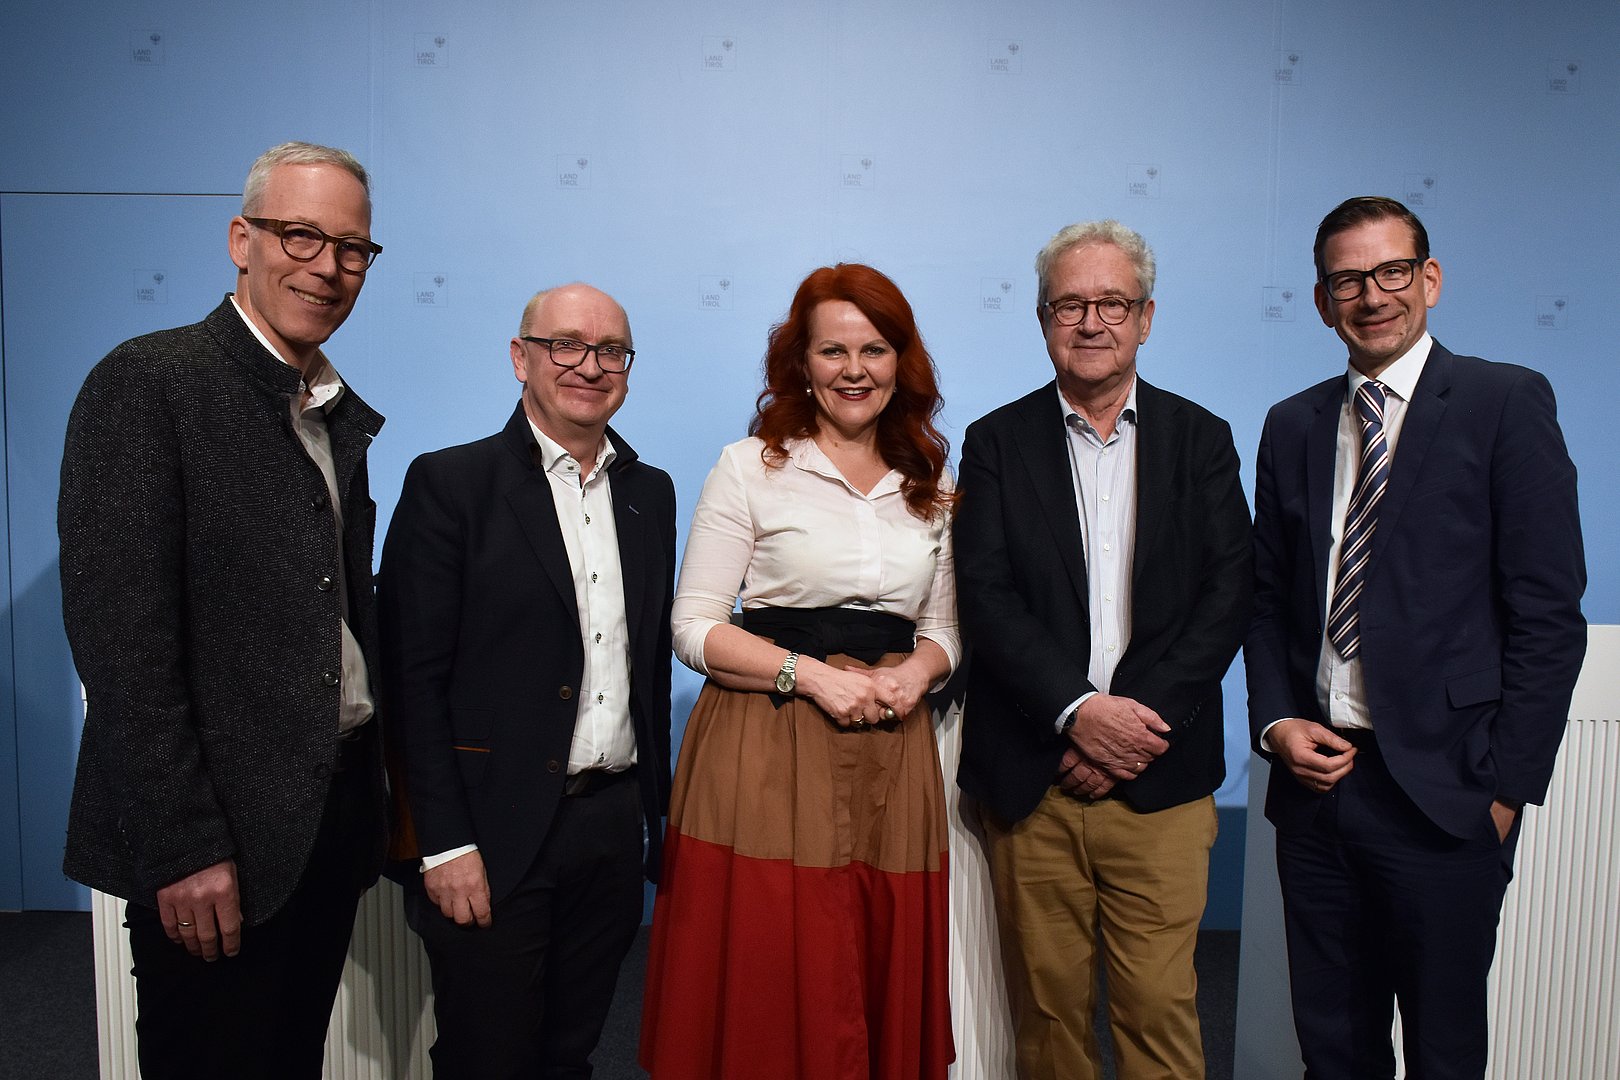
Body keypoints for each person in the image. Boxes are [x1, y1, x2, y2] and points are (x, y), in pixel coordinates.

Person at [58, 141, 388, 1080]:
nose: (327, 266)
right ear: (243, 241)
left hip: (324, 821)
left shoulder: (329, 409)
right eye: (300, 235)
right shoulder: (149, 383)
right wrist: (184, 847)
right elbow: (123, 652)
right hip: (215, 843)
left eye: (352, 248)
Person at [1245, 196, 1586, 1080]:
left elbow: (1548, 612)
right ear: (1321, 300)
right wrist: (1276, 724)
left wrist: (1506, 792)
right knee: (1334, 1051)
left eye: (1392, 271)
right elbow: (1267, 599)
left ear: (1429, 279)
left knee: (1444, 1052)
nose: (1373, 295)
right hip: (1317, 791)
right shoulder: (1292, 423)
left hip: (1447, 794)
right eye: (1347, 280)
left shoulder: (1503, 402)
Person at [640, 263, 959, 1079]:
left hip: (893, 752)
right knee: (772, 967)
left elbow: (943, 629)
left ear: (901, 363)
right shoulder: (750, 466)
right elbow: (693, 625)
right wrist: (812, 677)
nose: (855, 370)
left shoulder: (931, 482)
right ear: (801, 364)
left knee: (871, 961)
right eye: (833, 351)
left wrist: (917, 675)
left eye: (874, 350)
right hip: (769, 742)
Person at [954, 220, 1252, 1080]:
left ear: (1146, 318)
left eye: (1113, 303)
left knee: (1159, 1012)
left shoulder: (1201, 438)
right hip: (1035, 778)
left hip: (1161, 776)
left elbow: (1228, 594)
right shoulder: (995, 442)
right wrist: (1077, 716)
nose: (1092, 322)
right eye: (1070, 305)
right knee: (1047, 1021)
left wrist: (1132, 729)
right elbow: (987, 597)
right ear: (1043, 320)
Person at [378, 283, 675, 1079]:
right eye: (565, 345)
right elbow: (412, 681)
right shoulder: (451, 484)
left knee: (570, 1053)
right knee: (487, 1057)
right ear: (521, 357)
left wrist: (653, 820)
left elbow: (645, 666)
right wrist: (443, 843)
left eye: (611, 351)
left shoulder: (650, 493)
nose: (590, 366)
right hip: (489, 830)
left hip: (609, 829)